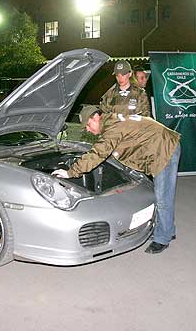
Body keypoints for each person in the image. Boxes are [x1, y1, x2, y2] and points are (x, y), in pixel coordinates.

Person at [53, 105, 181, 254]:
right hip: (158, 145)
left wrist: (70, 172)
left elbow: (98, 153)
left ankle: (163, 238)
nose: (87, 130)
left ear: (96, 117)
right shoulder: (112, 122)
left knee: (162, 197)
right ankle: (167, 230)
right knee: (162, 194)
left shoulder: (112, 129)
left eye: (87, 125)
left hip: (165, 149)